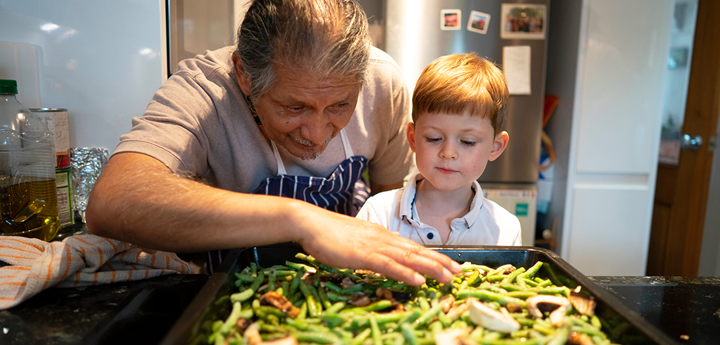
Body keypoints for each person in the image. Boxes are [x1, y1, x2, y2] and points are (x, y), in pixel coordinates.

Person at [85, 0, 460, 285]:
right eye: (293, 107)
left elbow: (391, 200)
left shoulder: (383, 83)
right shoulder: (204, 92)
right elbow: (112, 200)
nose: (316, 134)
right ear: (245, 76)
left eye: (340, 106)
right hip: (236, 288)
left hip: (345, 287)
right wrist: (303, 220)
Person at [356, 53, 522, 246]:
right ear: (413, 138)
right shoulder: (378, 213)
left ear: (495, 147)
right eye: (433, 138)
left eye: (468, 141)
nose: (448, 152)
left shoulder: (505, 229)